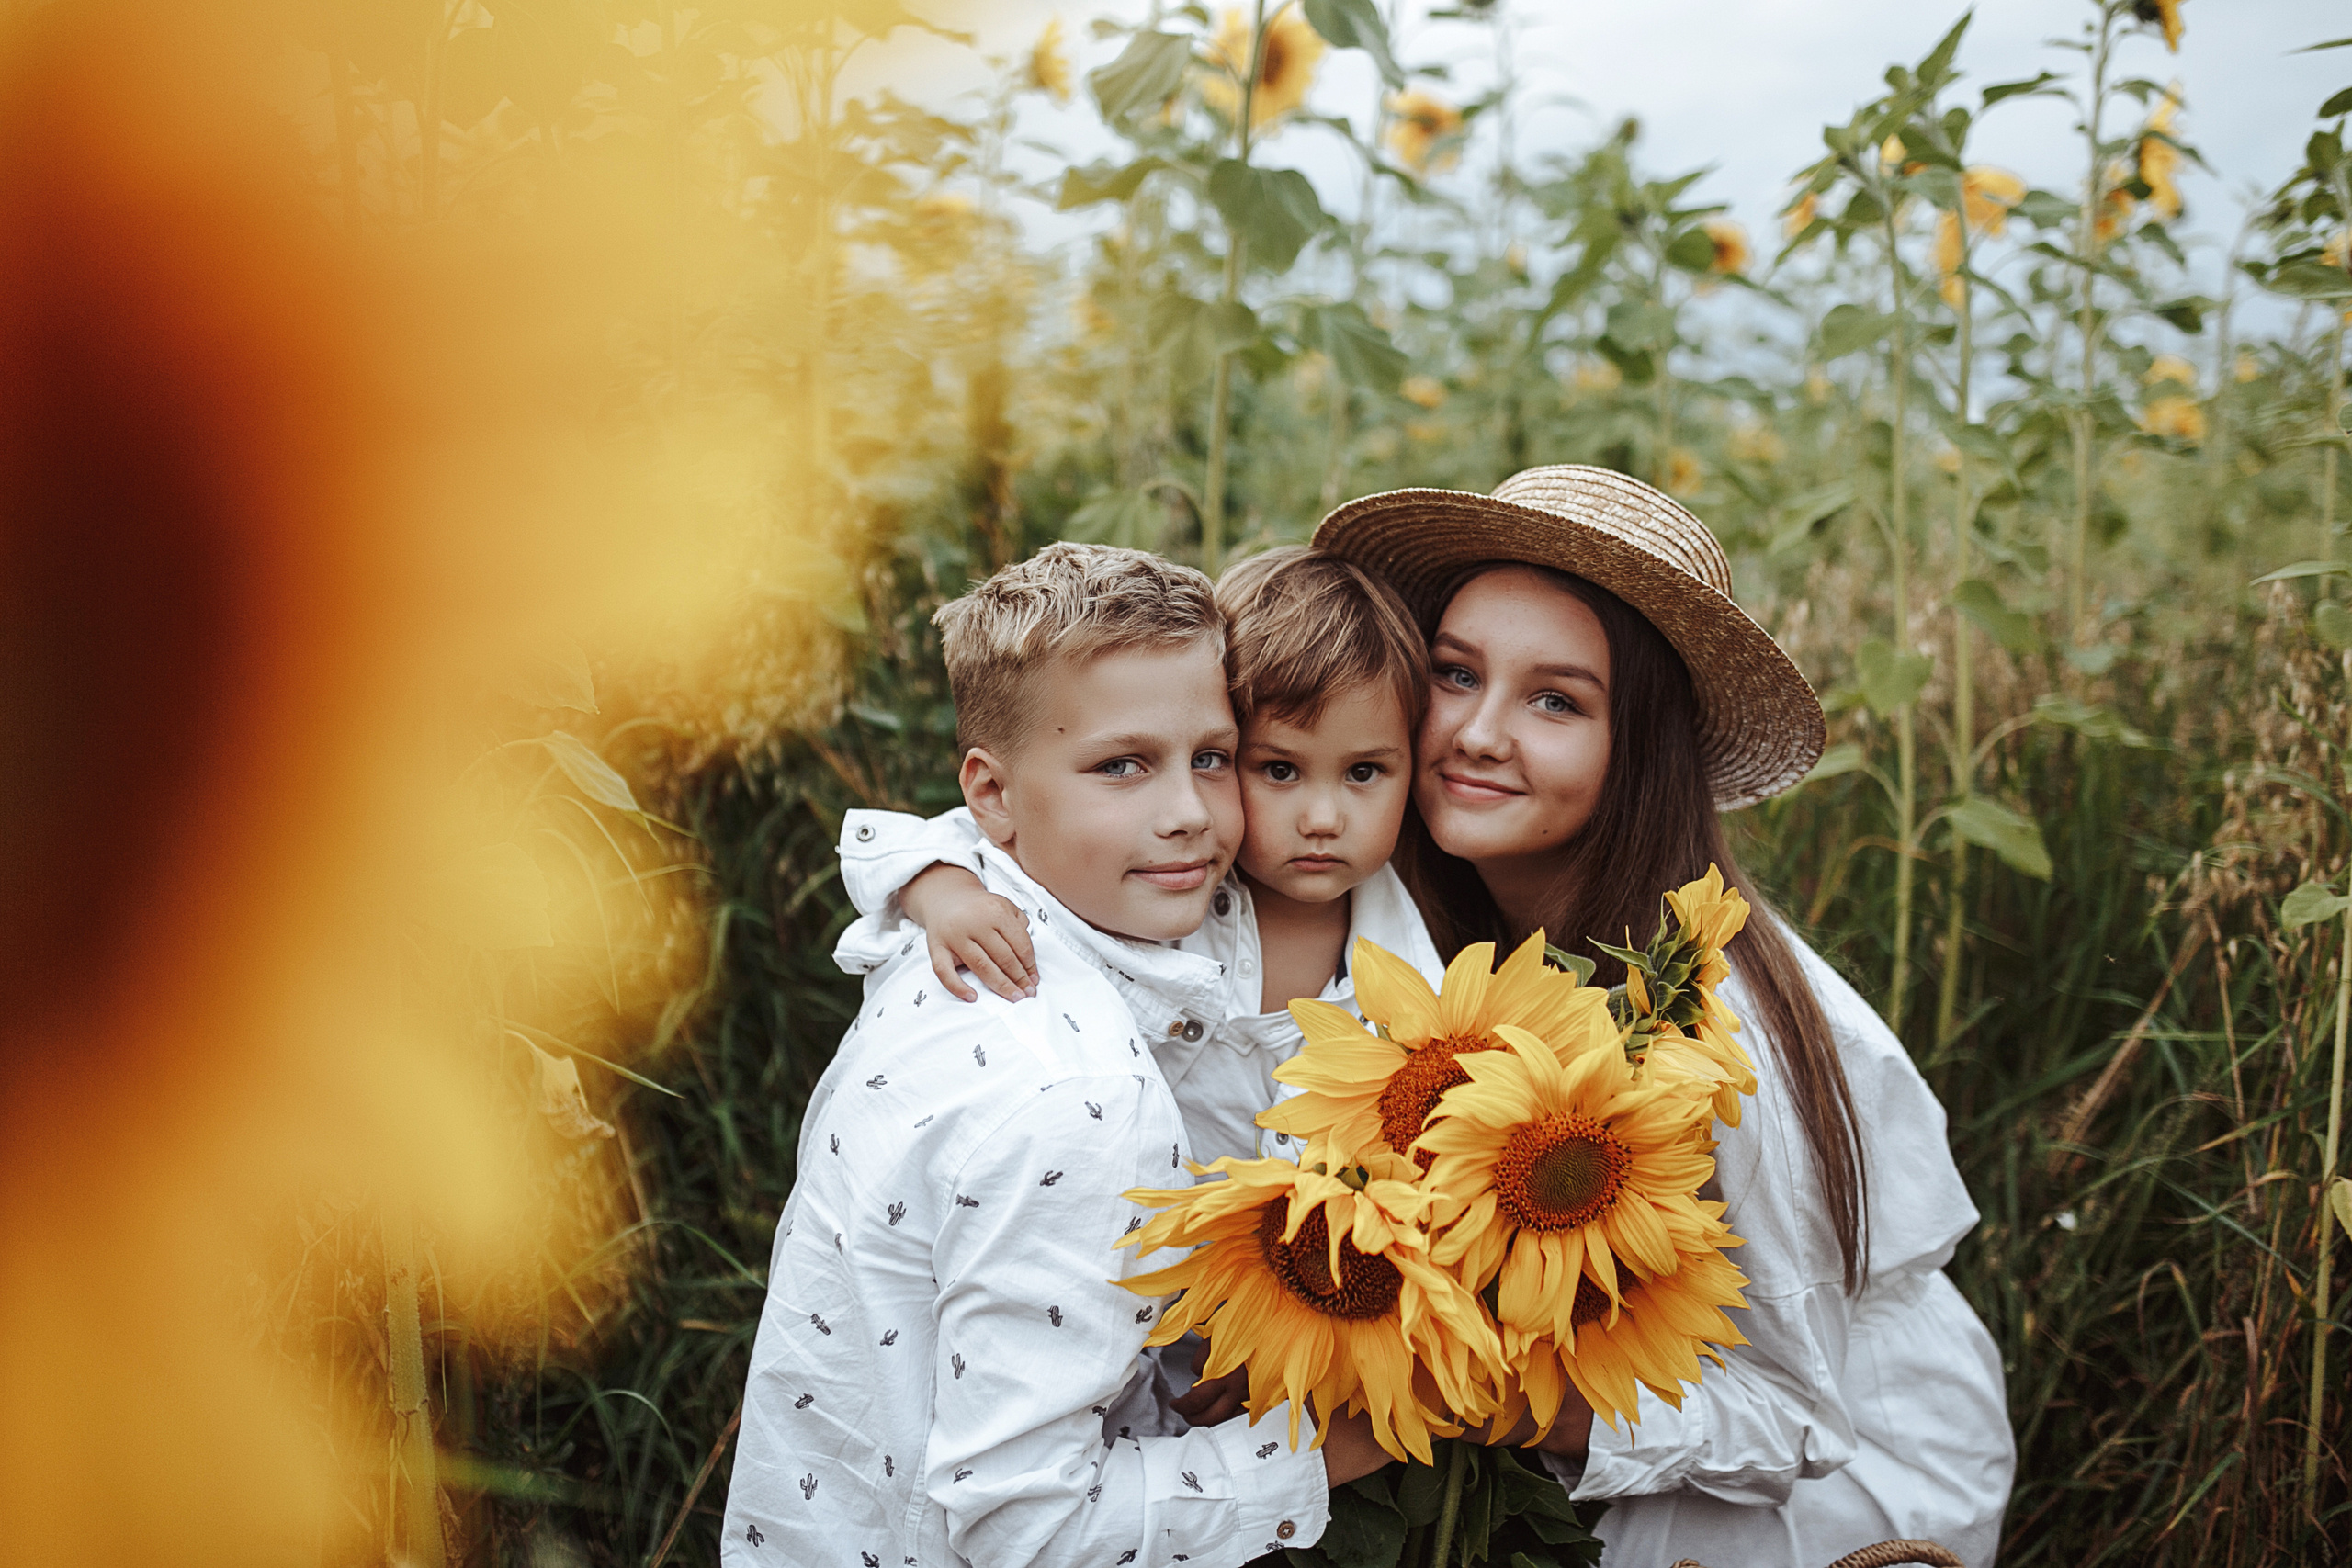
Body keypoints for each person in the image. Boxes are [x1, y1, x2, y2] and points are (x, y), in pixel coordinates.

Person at [1308, 464, 2015, 1566]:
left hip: (1829, 1480)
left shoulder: (1725, 1023)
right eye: (1455, 673)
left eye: (1556, 700)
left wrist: (1476, 1390)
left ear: (1641, 744)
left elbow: (1797, 1415)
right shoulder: (1416, 903)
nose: (1477, 732)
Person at [722, 543, 1387, 1568]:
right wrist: (1320, 1453)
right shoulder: (1086, 1099)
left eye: (1212, 758)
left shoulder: (972, 922)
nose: (1188, 814)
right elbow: (1030, 1529)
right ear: (992, 794)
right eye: (1122, 766)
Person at [834, 546, 1446, 1169]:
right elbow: (935, 835)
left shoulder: (1419, 983)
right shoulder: (1175, 877)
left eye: (1364, 772)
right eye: (1279, 770)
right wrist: (949, 895)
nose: (1322, 819)